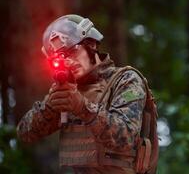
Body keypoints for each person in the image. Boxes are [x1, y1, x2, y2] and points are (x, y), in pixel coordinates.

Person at [17, 14, 157, 174]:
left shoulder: (126, 80)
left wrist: (82, 108)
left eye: (72, 52)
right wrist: (49, 109)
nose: (68, 61)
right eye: (61, 59)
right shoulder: (68, 90)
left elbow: (125, 137)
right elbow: (25, 134)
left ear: (90, 43)